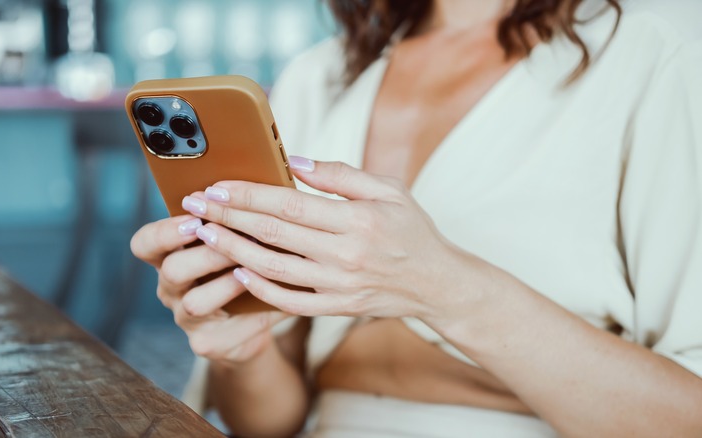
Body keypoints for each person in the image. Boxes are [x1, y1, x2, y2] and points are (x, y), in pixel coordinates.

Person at [130, 0, 702, 436]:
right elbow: (268, 423)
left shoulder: (659, 53)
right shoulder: (324, 75)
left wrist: (446, 289)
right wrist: (241, 350)